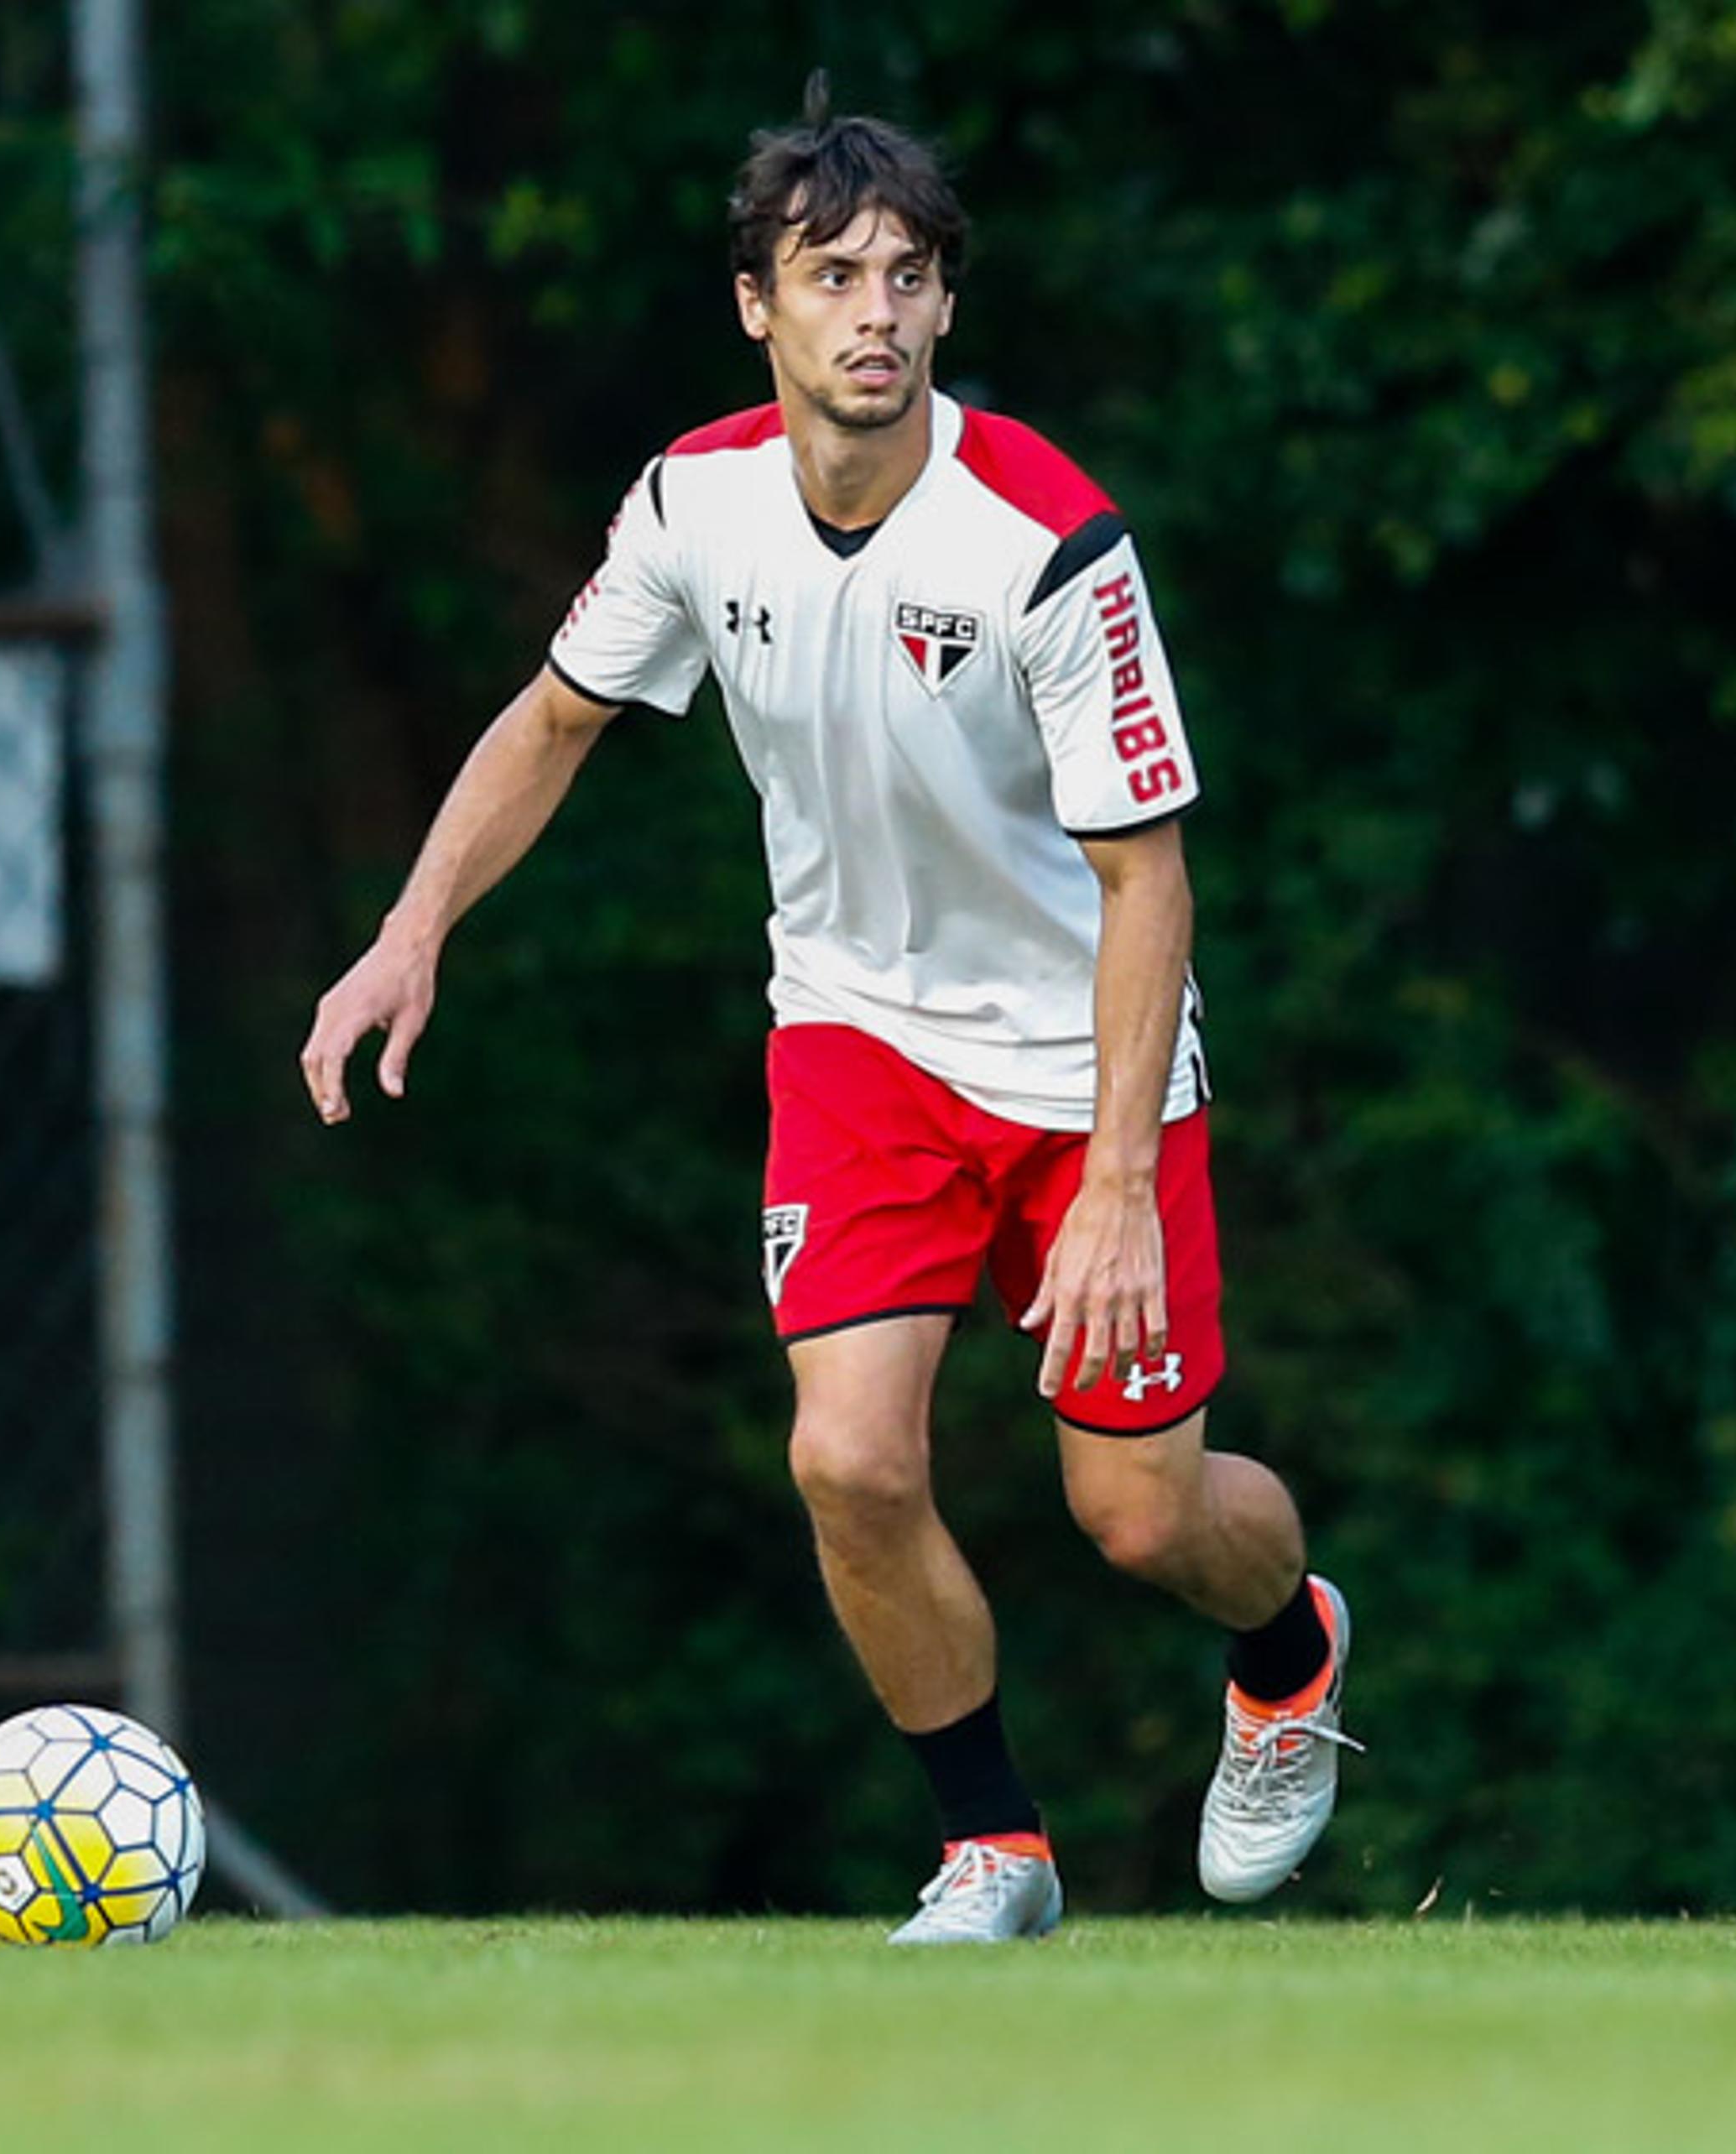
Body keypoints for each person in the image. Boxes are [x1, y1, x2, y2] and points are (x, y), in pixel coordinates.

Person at [299, 81, 1355, 1943]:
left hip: (1080, 1057)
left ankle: (1289, 1652)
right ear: (755, 307)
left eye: (908, 275)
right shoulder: (691, 504)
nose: (874, 311)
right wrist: (410, 933)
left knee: (1141, 1517)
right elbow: (555, 721)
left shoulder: (1048, 540)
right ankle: (993, 1849)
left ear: (948, 306)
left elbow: (1150, 884)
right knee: (847, 1457)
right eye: (831, 273)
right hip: (856, 1035)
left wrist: (1116, 1178)